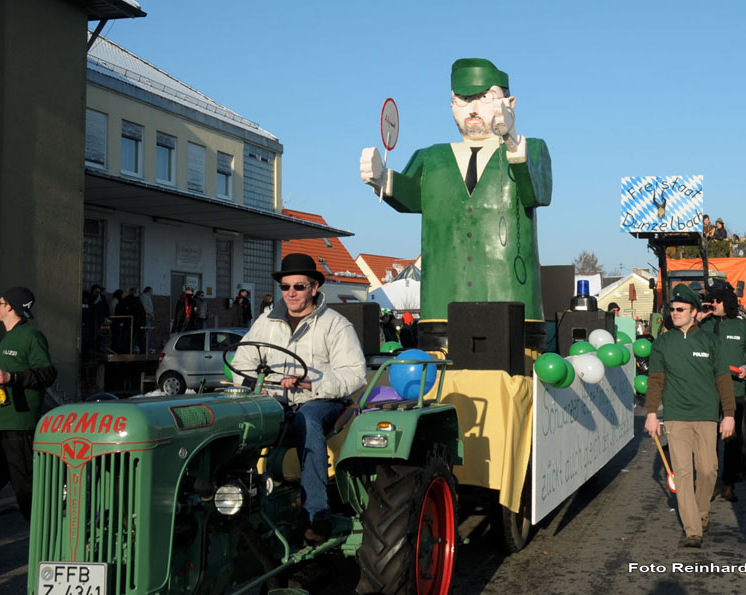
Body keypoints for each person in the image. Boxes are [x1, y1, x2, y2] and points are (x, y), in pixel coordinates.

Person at [361, 58, 552, 341]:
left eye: (486, 98)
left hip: (512, 301)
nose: (473, 109)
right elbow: (411, 195)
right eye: (463, 100)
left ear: (509, 104)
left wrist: (512, 143)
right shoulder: (431, 157)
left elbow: (538, 192)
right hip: (441, 307)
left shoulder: (531, 149)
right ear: (451, 105)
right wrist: (381, 178)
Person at [230, 253, 365, 544]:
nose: (291, 293)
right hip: (274, 399)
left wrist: (312, 383)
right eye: (286, 287)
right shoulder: (266, 322)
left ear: (314, 287)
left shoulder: (335, 325)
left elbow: (354, 375)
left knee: (308, 420)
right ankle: (234, 499)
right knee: (236, 419)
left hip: (322, 400)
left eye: (299, 287)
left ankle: (316, 514)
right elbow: (242, 362)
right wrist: (255, 384)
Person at [644, 284, 735, 548]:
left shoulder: (710, 341)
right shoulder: (663, 343)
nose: (675, 313)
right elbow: (656, 381)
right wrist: (651, 413)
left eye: (681, 309)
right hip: (676, 417)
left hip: (707, 416)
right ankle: (693, 529)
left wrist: (728, 414)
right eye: (672, 309)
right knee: (683, 473)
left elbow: (723, 380)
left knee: (708, 470)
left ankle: (701, 512)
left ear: (694, 312)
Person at [0, 287, 56, 535]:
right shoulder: (7, 338)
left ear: (11, 307)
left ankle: (48, 549)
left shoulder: (31, 336)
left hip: (19, 432)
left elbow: (47, 374)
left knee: (29, 497)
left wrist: (12, 376)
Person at [695, 279, 746, 502]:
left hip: (735, 390)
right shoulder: (701, 326)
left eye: (717, 300)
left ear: (727, 302)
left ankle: (729, 482)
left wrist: (745, 366)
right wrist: (697, 320)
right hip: (707, 391)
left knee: (732, 440)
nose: (713, 304)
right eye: (710, 300)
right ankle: (712, 482)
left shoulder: (740, 326)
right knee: (708, 439)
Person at [140, 286, 155, 353]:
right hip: (147, 317)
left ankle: (148, 347)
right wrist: (149, 314)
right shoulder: (144, 297)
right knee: (147, 332)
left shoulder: (147, 297)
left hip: (149, 316)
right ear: (148, 291)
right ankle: (148, 347)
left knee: (148, 332)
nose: (152, 293)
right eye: (151, 291)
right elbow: (145, 307)